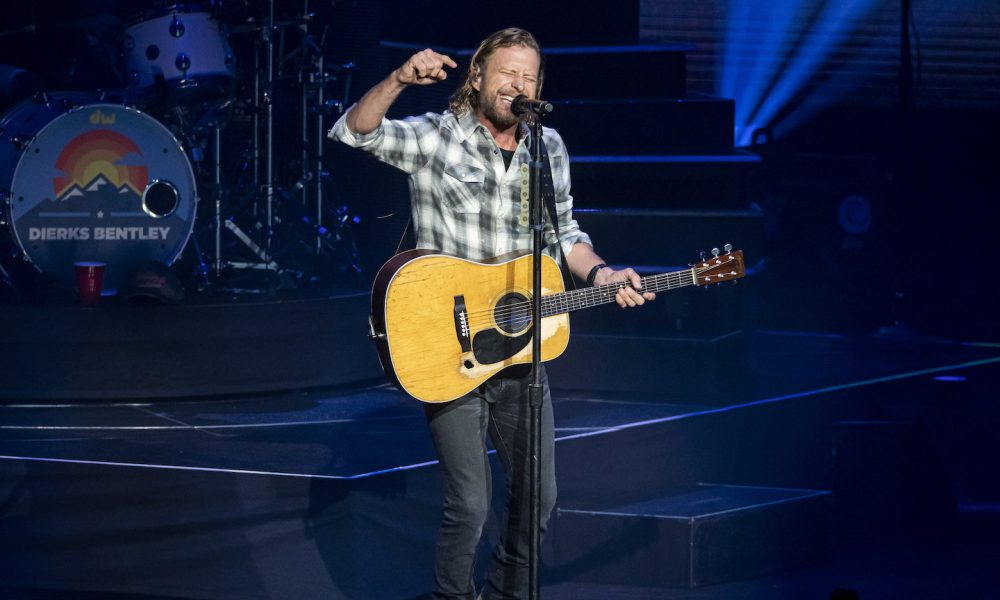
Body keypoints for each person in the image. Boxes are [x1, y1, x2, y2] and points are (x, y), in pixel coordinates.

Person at [329, 27, 655, 600]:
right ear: (477, 76)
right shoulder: (438, 137)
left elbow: (566, 233)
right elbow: (359, 134)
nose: (518, 84)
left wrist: (603, 274)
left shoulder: (546, 147)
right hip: (447, 345)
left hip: (522, 347)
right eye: (507, 72)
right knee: (470, 506)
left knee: (538, 500)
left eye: (529, 76)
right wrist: (401, 79)